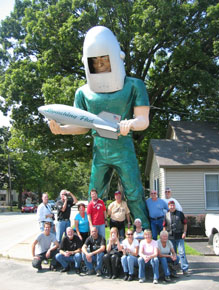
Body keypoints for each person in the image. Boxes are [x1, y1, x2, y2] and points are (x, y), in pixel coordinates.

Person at [49, 25, 150, 229]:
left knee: (134, 192)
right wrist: (62, 129)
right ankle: (91, 235)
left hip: (123, 147)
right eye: (96, 61)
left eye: (104, 60)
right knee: (94, 194)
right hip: (99, 148)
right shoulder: (83, 93)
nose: (100, 65)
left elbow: (143, 120)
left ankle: (144, 232)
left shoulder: (134, 85)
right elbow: (82, 126)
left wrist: (130, 124)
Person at [163, 200, 190, 276]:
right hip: (170, 237)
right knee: (173, 254)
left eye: (173, 205)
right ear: (168, 206)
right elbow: (164, 226)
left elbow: (185, 224)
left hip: (179, 236)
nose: (172, 206)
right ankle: (174, 270)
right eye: (170, 205)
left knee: (182, 253)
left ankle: (185, 269)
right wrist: (164, 235)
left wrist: (184, 232)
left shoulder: (180, 214)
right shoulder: (166, 215)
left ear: (175, 206)